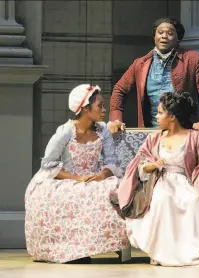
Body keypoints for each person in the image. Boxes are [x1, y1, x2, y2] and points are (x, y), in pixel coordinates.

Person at [111, 92, 199, 267]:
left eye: (160, 112)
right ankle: (161, 251)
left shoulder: (194, 137)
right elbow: (140, 165)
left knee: (192, 200)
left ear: (172, 117)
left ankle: (191, 251)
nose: (156, 115)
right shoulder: (154, 139)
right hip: (159, 181)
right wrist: (153, 165)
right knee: (163, 198)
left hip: (187, 181)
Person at [25, 84, 130, 264]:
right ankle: (71, 250)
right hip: (68, 178)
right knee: (74, 194)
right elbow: (47, 164)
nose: (104, 110)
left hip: (95, 177)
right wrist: (77, 179)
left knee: (112, 189)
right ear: (85, 108)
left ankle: (107, 245)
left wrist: (101, 175)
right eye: (100, 105)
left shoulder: (103, 130)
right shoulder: (66, 131)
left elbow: (112, 161)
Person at [109, 17, 199, 132]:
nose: (164, 36)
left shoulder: (194, 59)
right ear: (154, 36)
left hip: (185, 133)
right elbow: (119, 90)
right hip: (150, 134)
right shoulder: (140, 64)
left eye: (170, 33)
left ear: (178, 38)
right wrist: (115, 119)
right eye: (160, 32)